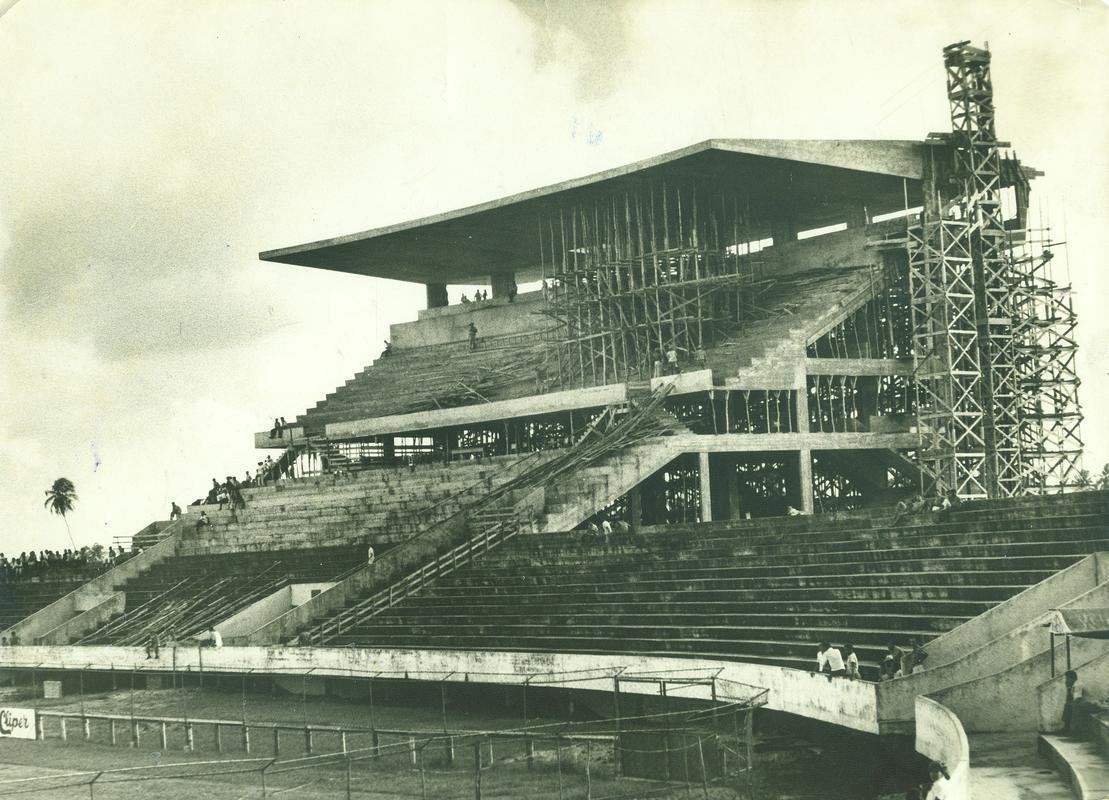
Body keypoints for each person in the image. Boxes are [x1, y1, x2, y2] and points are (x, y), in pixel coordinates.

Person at [1062, 669, 1082, 734]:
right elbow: (1070, 698)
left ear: (1072, 678)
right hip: (1079, 702)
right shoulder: (1072, 685)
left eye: (1067, 679)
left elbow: (1077, 699)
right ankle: (1066, 727)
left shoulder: (1078, 685)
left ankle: (1069, 728)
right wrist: (1068, 688)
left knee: (1070, 706)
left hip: (1089, 704)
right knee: (1068, 704)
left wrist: (1072, 705)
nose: (1066, 681)